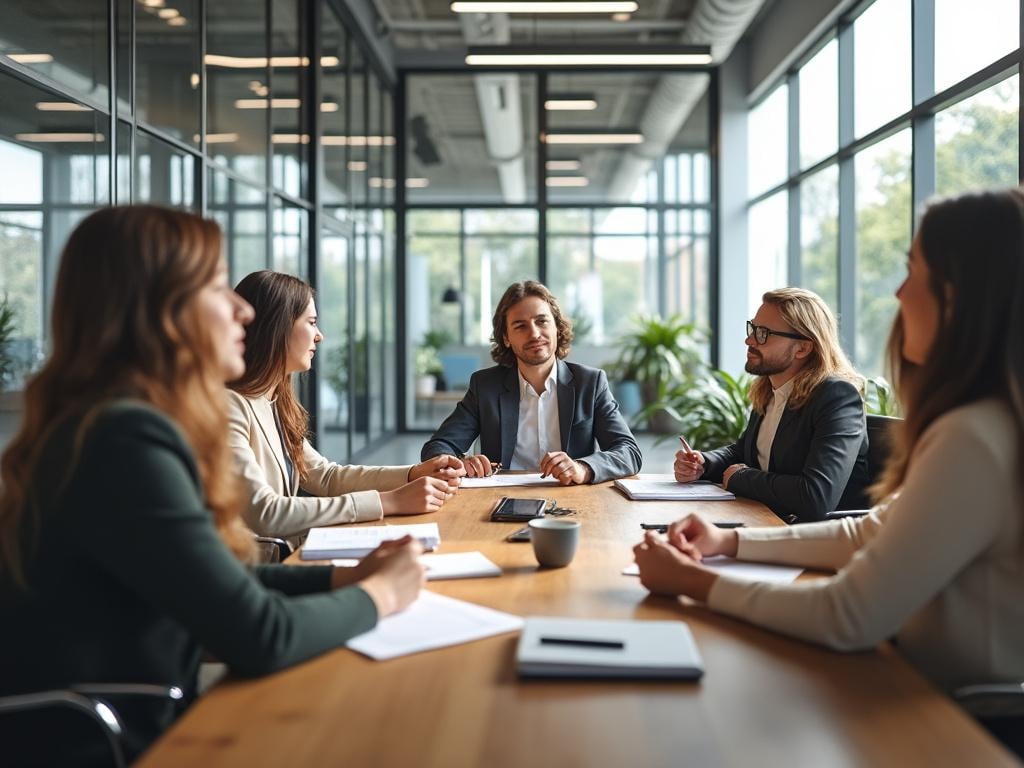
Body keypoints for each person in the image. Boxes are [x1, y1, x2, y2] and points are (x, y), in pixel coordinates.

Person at [0, 207, 425, 766]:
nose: (243, 308)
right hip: (118, 740)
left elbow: (219, 580)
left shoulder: (104, 423)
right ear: (156, 311)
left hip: (137, 717)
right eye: (215, 285)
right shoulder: (123, 438)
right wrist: (383, 594)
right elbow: (260, 635)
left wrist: (345, 576)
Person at [635, 188, 1024, 698]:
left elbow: (848, 614)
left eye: (914, 272)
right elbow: (868, 534)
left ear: (960, 295)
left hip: (937, 714)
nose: (899, 294)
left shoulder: (973, 438)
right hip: (900, 682)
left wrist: (693, 582)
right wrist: (726, 541)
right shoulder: (983, 423)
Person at [228, 270, 464, 543]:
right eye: (312, 322)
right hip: (258, 575)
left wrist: (414, 473)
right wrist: (389, 502)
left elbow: (326, 477)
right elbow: (265, 512)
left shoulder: (276, 402)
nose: (319, 336)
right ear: (278, 327)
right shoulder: (230, 407)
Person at [674, 287, 869, 523]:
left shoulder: (836, 397)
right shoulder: (770, 390)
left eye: (763, 333)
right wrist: (703, 463)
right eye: (752, 328)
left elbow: (816, 496)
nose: (749, 340)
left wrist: (740, 478)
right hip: (765, 521)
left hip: (815, 541)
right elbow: (744, 452)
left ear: (803, 348)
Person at [420, 280, 642, 484]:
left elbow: (629, 452)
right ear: (506, 338)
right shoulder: (485, 386)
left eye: (542, 321)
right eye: (520, 326)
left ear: (556, 326)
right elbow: (438, 447)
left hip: (572, 499)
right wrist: (461, 463)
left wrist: (583, 468)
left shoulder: (590, 383)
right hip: (500, 500)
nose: (534, 333)